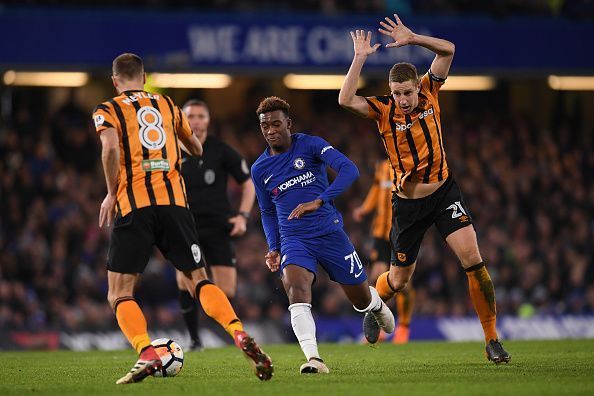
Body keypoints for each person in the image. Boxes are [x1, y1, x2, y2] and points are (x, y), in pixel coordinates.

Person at [338, 15, 511, 363]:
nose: (402, 99)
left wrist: (414, 38)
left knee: (473, 261)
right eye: (397, 93)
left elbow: (449, 50)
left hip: (445, 191)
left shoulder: (431, 90)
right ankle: (374, 303)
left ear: (418, 87)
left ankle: (492, 339)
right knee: (399, 281)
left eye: (407, 92)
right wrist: (359, 58)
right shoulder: (383, 110)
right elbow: (345, 100)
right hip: (408, 206)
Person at [93, 53, 273, 384]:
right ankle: (237, 332)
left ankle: (146, 351)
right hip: (175, 205)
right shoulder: (168, 106)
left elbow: (109, 150)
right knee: (199, 279)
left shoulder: (107, 109)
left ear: (115, 81)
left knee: (119, 293)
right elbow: (196, 148)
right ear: (144, 77)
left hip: (134, 205)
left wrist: (110, 192)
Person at [251, 96, 395, 374]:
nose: (270, 131)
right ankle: (314, 359)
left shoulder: (311, 145)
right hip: (294, 239)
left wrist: (320, 199)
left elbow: (348, 169)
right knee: (295, 289)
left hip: (329, 232)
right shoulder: (259, 169)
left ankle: (374, 302)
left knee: (360, 299)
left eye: (276, 124)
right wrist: (274, 246)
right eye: (265, 126)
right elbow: (267, 212)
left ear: (288, 124)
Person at [177, 99, 256, 351]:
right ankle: (194, 340)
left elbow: (248, 183)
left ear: (208, 120)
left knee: (227, 290)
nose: (196, 121)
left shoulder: (220, 150)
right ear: (182, 120)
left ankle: (220, 328)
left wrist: (242, 215)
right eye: (191, 116)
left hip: (219, 227)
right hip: (186, 228)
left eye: (201, 116)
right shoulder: (172, 151)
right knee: (185, 283)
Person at [353, 159, 415, 344]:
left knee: (402, 283)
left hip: (402, 232)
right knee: (377, 275)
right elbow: (376, 190)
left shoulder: (410, 166)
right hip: (381, 232)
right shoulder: (381, 167)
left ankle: (404, 326)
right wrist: (364, 209)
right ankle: (378, 327)